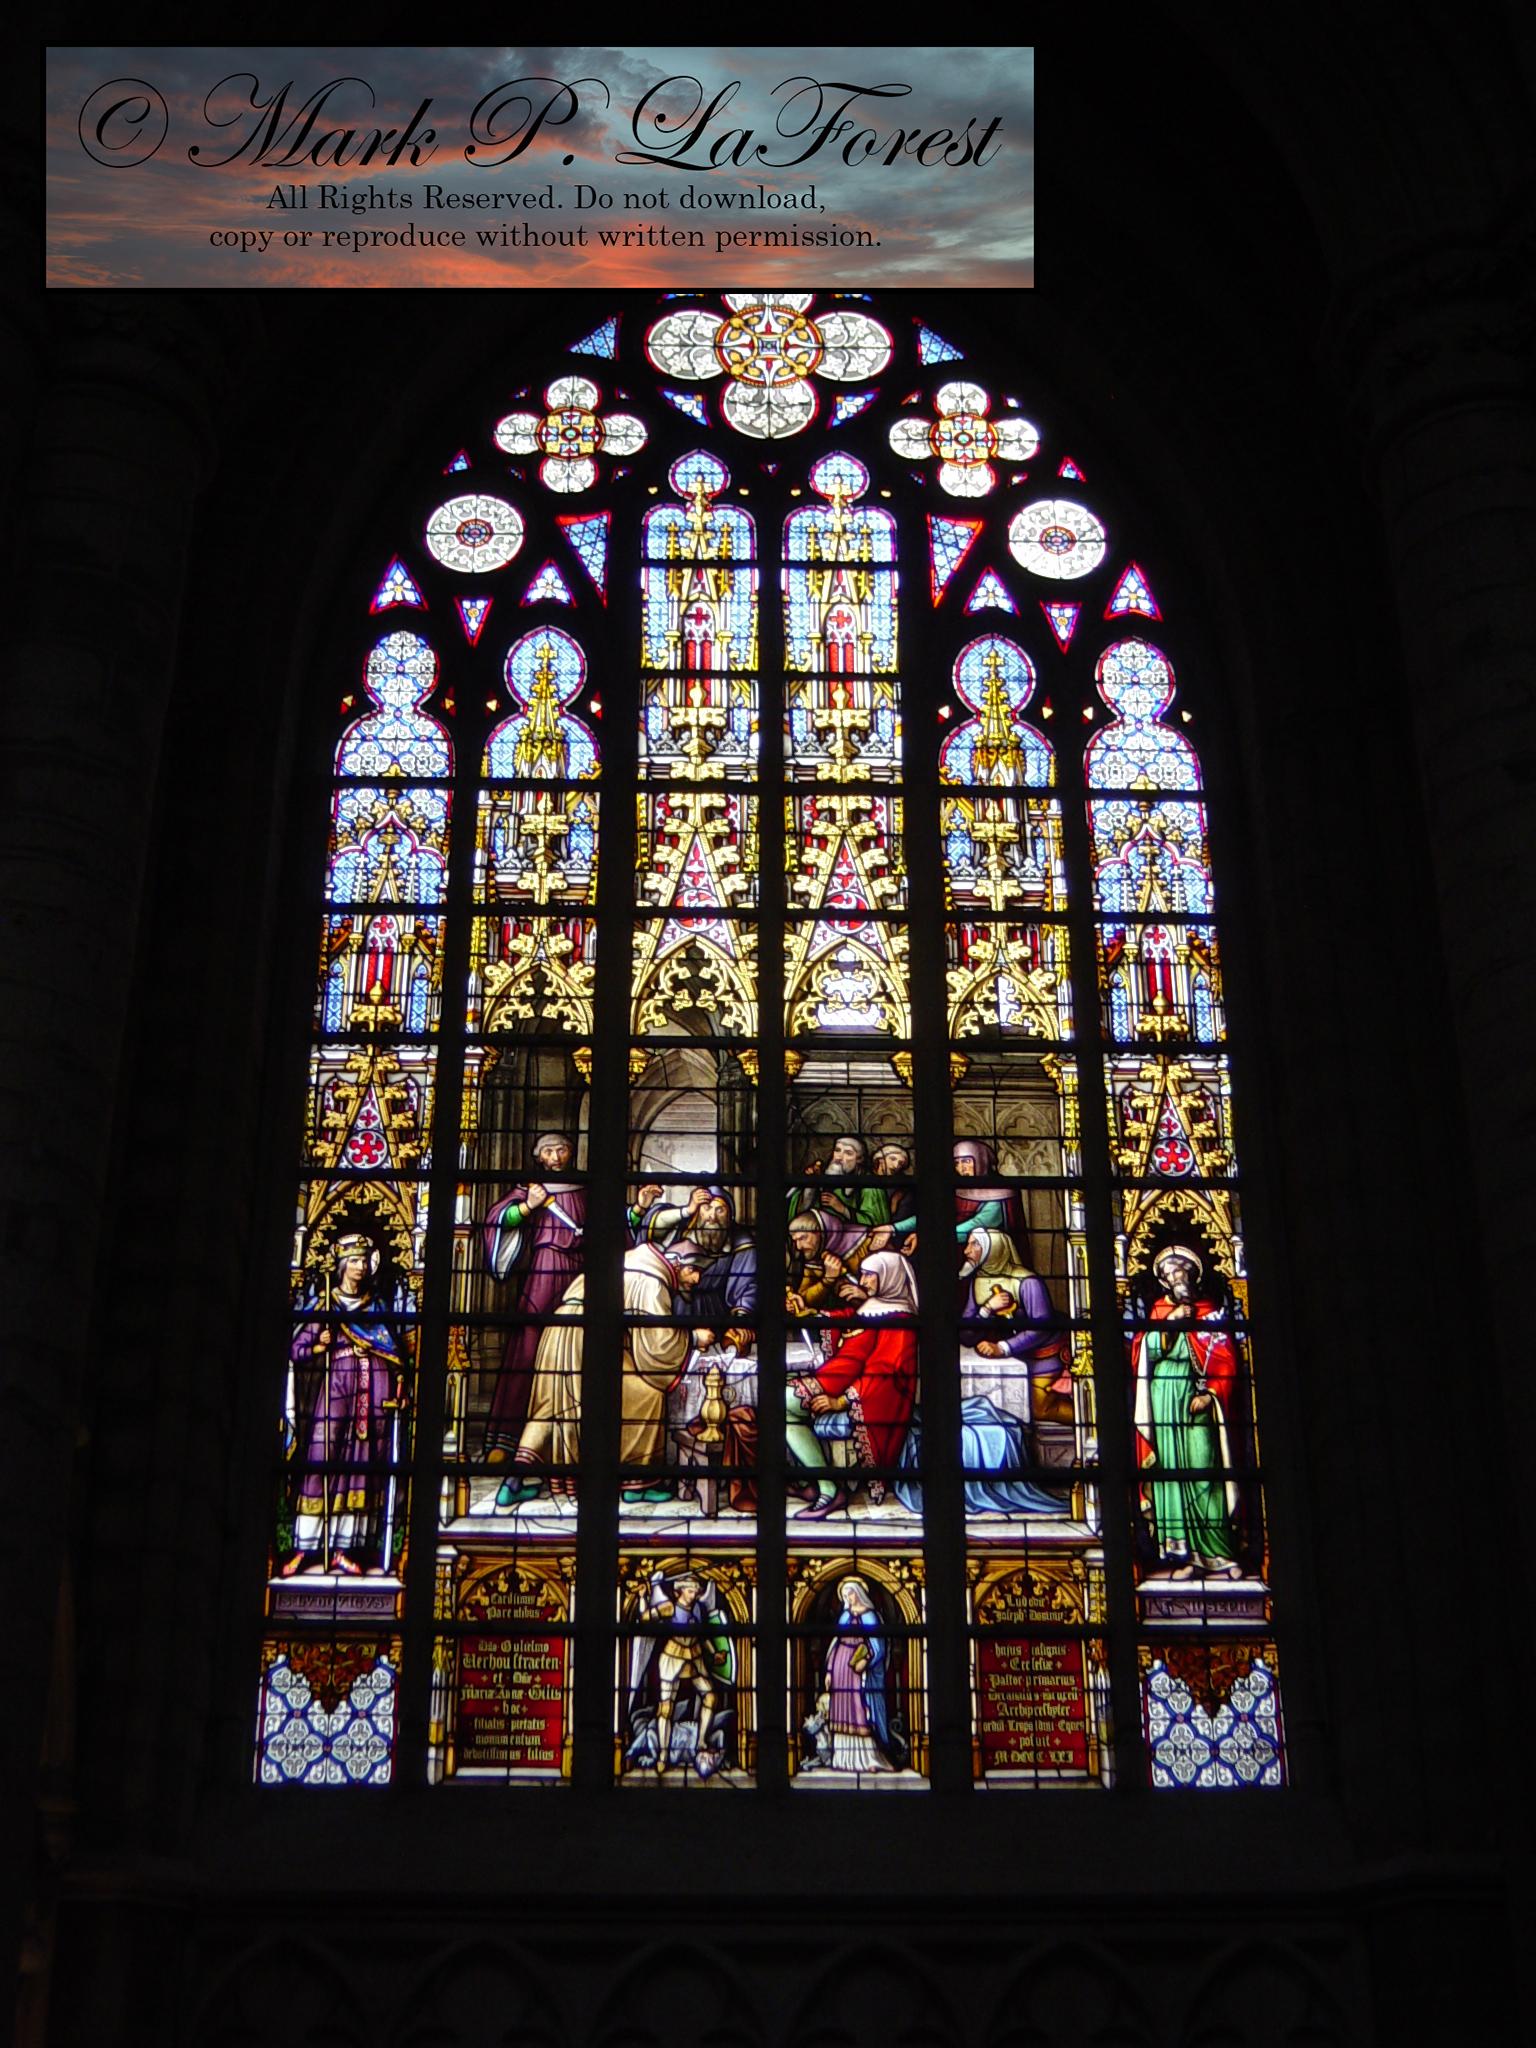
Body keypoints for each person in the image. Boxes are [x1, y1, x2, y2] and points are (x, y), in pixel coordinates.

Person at [494, 1239, 704, 1509]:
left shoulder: (633, 1260)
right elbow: (658, 1342)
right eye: (693, 1270)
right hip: (587, 1334)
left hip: (560, 1330)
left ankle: (513, 1481)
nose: (696, 1279)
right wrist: (694, 1338)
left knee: (552, 1407)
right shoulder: (652, 1279)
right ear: (675, 1263)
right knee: (648, 1393)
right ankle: (637, 1482)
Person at [283, 1233, 406, 1576]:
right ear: (341, 1266)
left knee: (359, 1463)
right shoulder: (326, 1304)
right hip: (335, 1388)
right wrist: (320, 1346)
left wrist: (398, 1379)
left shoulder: (376, 1307)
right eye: (354, 1261)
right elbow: (296, 1351)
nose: (360, 1267)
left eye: (364, 1260)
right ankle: (305, 1547)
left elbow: (394, 1353)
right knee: (321, 1457)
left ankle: (343, 1548)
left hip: (371, 1390)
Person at [1132, 1246, 1243, 1579]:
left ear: (1192, 1274)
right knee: (1172, 1472)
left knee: (1204, 1468)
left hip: (1197, 1398)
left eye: (1178, 1270)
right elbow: (1142, 1352)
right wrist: (1168, 1324)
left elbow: (1226, 1359)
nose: (1173, 1277)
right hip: (1164, 1397)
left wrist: (1211, 1394)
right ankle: (1186, 1557)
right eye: (1167, 1274)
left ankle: (1221, 1554)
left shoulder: (1210, 1313)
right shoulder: (1159, 1310)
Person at [785, 1250, 919, 1518]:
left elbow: (884, 1372)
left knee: (782, 1404)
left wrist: (841, 1401)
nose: (863, 1280)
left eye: (870, 1275)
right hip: (833, 1378)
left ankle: (829, 1489)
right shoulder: (871, 1307)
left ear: (890, 1278)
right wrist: (807, 1312)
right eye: (863, 1275)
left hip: (847, 1389)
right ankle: (816, 1482)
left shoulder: (901, 1321)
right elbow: (844, 1320)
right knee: (778, 1400)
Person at [482, 1134, 585, 1464]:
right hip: (545, 1266)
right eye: (548, 1151)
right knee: (529, 1339)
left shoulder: (587, 1187)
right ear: (539, 1157)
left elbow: (618, 1226)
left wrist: (639, 1210)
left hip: (582, 1270)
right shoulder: (531, 1187)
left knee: (580, 1342)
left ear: (571, 1152)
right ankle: (509, 1438)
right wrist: (528, 1206)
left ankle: (576, 1440)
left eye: (562, 1149)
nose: (556, 1156)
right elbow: (498, 1218)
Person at [628, 1567, 733, 1778]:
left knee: (710, 1697)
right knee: (666, 1708)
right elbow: (645, 1618)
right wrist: (642, 1598)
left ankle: (701, 1741)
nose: (694, 1594)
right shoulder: (668, 1608)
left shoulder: (699, 1609)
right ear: (679, 1591)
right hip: (673, 1657)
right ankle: (663, 1754)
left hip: (695, 1657)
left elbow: (701, 1636)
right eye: (691, 1591)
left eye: (696, 1591)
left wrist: (714, 1653)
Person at [816, 1576, 902, 1773]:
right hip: (841, 1665)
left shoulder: (870, 1616)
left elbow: (878, 1645)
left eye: (851, 1593)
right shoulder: (844, 1616)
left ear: (859, 1593)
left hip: (859, 1667)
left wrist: (867, 1660)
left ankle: (869, 1758)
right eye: (845, 1595)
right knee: (841, 1707)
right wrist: (829, 1670)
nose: (848, 1598)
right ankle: (842, 1759)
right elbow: (836, 1643)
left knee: (860, 1708)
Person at [892, 1138, 1026, 1251]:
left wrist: (928, 1238)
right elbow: (931, 1216)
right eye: (957, 1163)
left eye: (966, 1161)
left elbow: (980, 1223)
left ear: (981, 1160)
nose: (961, 1168)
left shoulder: (1001, 1191)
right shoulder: (956, 1191)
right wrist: (893, 1228)